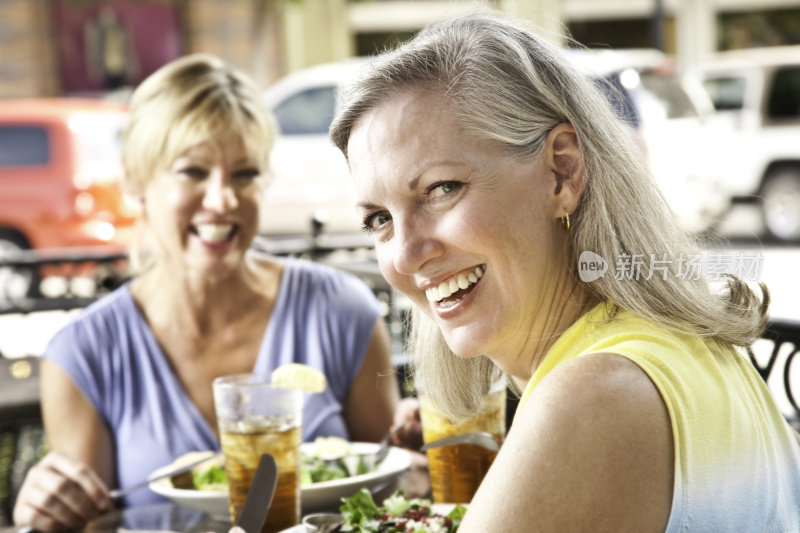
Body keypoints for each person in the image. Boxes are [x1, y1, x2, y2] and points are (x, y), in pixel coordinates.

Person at [330, 11, 800, 532]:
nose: (404, 254)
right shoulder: (669, 350)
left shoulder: (594, 397)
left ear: (563, 170)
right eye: (378, 219)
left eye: (442, 189)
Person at [13, 53, 399, 532]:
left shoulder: (339, 309)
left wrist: (416, 453)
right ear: (136, 181)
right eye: (192, 172)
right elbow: (87, 521)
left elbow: (388, 498)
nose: (222, 201)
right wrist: (51, 508)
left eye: (244, 174)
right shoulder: (82, 354)